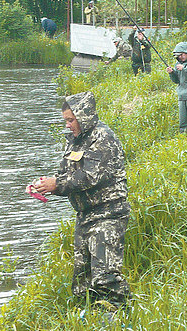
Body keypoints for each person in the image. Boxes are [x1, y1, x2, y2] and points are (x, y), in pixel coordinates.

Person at [34, 91, 131, 310]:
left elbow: (89, 177)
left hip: (108, 213)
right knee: (82, 282)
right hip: (85, 215)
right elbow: (67, 176)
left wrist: (57, 184)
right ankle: (91, 318)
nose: (67, 125)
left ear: (83, 116)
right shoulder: (75, 141)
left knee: (106, 277)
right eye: (65, 121)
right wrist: (46, 186)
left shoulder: (102, 138)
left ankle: (122, 318)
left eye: (70, 120)